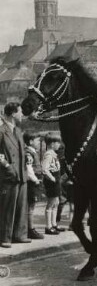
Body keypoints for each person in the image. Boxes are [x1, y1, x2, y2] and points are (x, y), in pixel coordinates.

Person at [0, 103, 30, 248]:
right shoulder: (1, 130)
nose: (22, 115)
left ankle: (19, 235)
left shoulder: (18, 130)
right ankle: (4, 237)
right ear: (12, 113)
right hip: (9, 174)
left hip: (21, 173)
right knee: (7, 207)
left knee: (21, 206)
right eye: (20, 112)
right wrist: (7, 166)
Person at [24, 131, 44, 239]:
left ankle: (30, 228)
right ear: (31, 141)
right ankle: (30, 229)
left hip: (35, 181)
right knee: (31, 206)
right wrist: (35, 179)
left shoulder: (33, 152)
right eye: (37, 140)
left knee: (32, 205)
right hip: (32, 182)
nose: (39, 142)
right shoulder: (28, 153)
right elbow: (29, 169)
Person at [42, 132, 62, 235]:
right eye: (57, 142)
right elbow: (45, 169)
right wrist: (52, 178)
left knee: (56, 202)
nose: (59, 144)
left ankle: (54, 224)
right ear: (51, 143)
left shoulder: (54, 154)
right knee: (51, 204)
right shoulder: (49, 155)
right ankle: (48, 226)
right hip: (52, 182)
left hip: (56, 180)